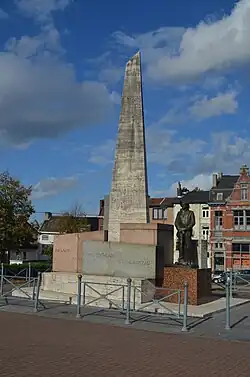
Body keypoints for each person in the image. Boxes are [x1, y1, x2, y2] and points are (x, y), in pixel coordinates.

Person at [175, 202, 196, 266]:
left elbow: (192, 222)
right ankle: (181, 259)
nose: (183, 205)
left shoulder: (190, 213)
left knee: (188, 245)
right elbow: (176, 222)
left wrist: (185, 228)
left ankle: (188, 259)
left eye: (185, 204)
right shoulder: (179, 213)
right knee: (181, 244)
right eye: (182, 204)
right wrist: (180, 229)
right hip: (181, 232)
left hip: (187, 231)